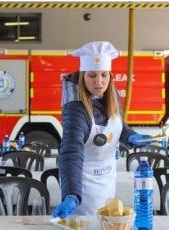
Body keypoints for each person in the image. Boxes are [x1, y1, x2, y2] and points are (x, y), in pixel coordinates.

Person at [52, 41, 152, 218]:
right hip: (82, 183)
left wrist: (131, 137)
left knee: (106, 223)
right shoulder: (76, 108)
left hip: (107, 178)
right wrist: (71, 194)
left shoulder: (111, 95)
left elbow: (118, 126)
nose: (99, 82)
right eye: (92, 76)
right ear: (83, 76)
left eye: (104, 75)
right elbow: (71, 151)